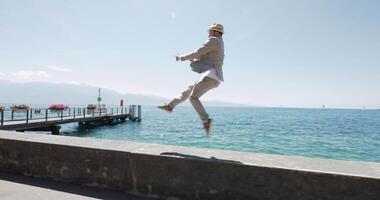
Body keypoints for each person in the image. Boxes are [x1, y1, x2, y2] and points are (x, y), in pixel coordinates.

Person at [158, 23, 225, 132]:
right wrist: (193, 59)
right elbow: (204, 57)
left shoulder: (214, 40)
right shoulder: (219, 43)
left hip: (211, 76)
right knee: (189, 90)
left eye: (211, 31)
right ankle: (170, 106)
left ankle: (206, 120)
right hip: (210, 75)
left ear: (216, 32)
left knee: (193, 97)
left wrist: (181, 57)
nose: (209, 33)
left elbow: (198, 52)